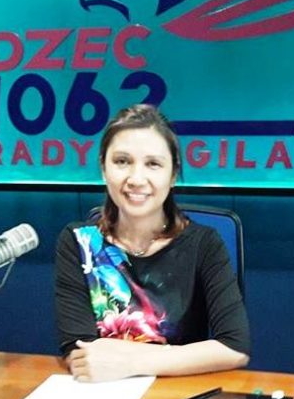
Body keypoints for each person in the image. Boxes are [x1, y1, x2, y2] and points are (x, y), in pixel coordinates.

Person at [55, 104, 250, 382]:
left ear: (173, 174)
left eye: (153, 164)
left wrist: (129, 362)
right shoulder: (79, 243)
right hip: (100, 395)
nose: (136, 179)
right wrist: (183, 355)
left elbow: (234, 348)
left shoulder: (204, 244)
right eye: (122, 161)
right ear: (103, 168)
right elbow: (78, 353)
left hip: (175, 394)